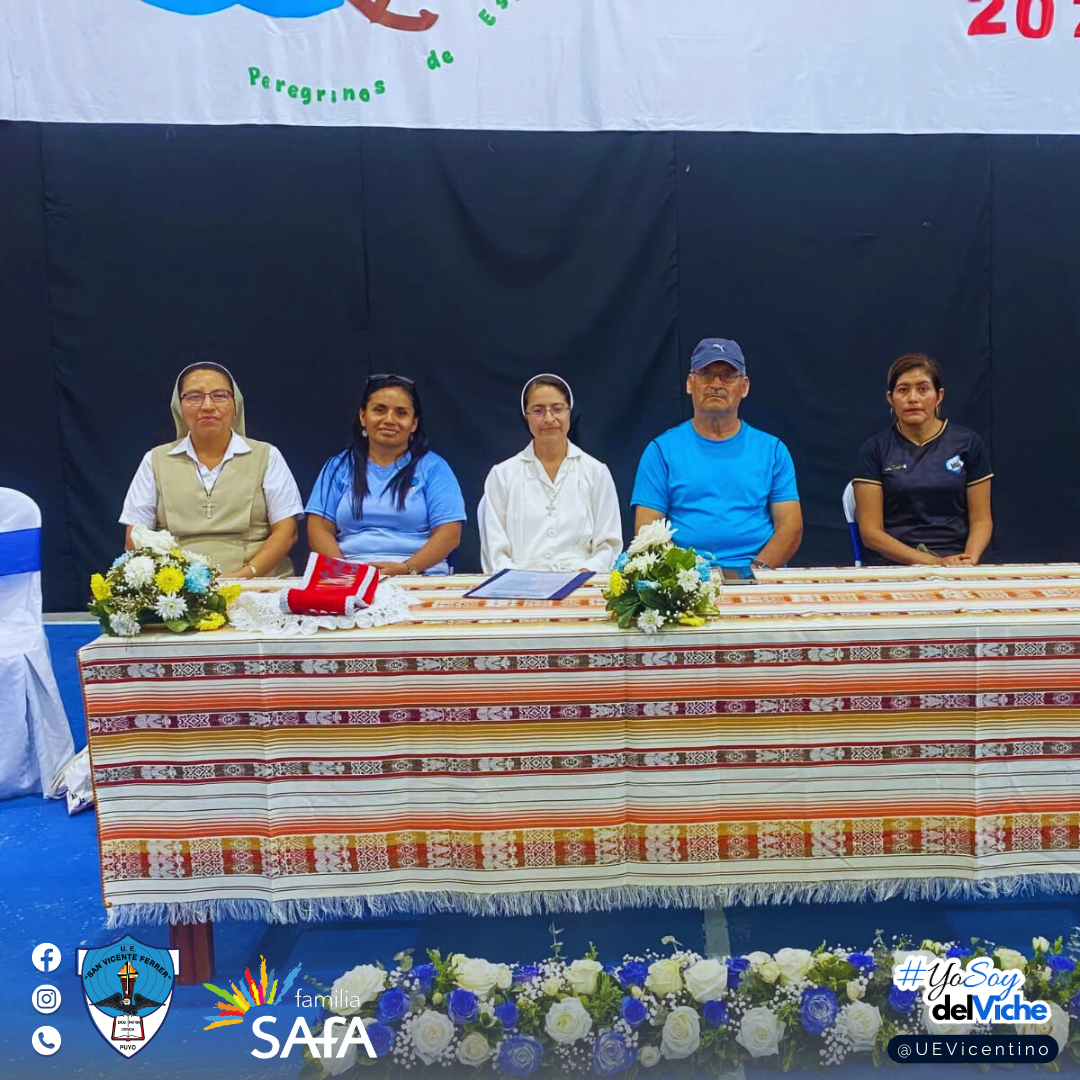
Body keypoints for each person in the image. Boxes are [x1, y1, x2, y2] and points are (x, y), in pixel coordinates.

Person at [630, 338, 802, 568]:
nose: (716, 384)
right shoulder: (660, 452)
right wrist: (687, 578)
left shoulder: (773, 451)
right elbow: (647, 529)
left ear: (744, 386)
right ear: (690, 383)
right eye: (706, 374)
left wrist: (755, 572)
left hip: (760, 574)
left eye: (727, 376)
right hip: (685, 577)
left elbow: (790, 528)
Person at [120, 363, 302, 578]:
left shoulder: (267, 455)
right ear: (179, 407)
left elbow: (287, 531)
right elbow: (135, 536)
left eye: (219, 396)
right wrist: (175, 582)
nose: (207, 406)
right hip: (178, 586)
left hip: (258, 582)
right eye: (194, 397)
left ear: (235, 405)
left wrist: (245, 575)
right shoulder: (155, 460)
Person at [306, 374, 465, 575]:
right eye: (379, 410)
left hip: (418, 574)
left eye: (401, 413)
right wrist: (347, 573)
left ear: (414, 423)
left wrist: (406, 568)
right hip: (349, 576)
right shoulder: (338, 467)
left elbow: (450, 533)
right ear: (363, 416)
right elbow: (318, 529)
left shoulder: (435, 468)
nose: (389, 420)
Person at [853, 353, 992, 565]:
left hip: (959, 561)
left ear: (939, 395)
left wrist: (968, 561)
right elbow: (871, 533)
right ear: (890, 398)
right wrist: (933, 563)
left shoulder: (969, 443)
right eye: (903, 390)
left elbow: (981, 521)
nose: (913, 398)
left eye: (923, 389)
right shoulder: (874, 450)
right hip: (896, 565)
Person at [481, 374, 622, 573]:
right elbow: (495, 551)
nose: (549, 419)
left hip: (582, 583)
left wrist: (584, 574)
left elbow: (609, 544)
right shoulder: (502, 476)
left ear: (569, 412)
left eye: (557, 409)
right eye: (538, 411)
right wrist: (518, 581)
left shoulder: (596, 473)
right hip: (518, 583)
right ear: (526, 416)